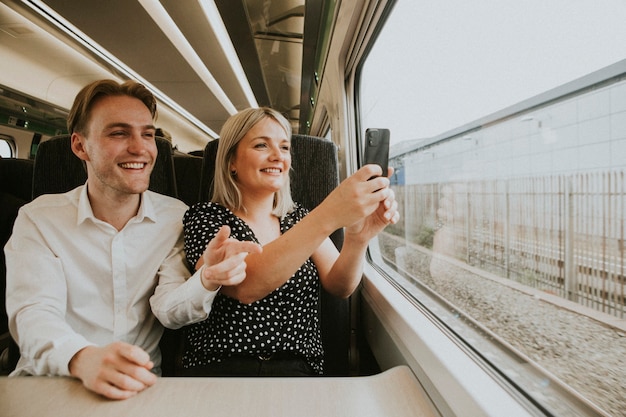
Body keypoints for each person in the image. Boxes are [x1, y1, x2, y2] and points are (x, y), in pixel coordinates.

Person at [4, 79, 260, 399]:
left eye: (148, 134)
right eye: (119, 133)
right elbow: (33, 314)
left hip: (137, 388)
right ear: (80, 146)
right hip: (50, 384)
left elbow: (169, 309)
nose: (140, 148)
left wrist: (206, 279)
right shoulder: (39, 218)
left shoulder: (174, 217)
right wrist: (82, 358)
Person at [176, 107, 399, 376]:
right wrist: (328, 214)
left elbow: (340, 286)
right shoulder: (205, 217)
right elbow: (246, 287)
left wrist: (358, 238)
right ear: (231, 161)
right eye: (261, 145)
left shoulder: (299, 219)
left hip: (297, 368)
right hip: (220, 367)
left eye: (284, 147)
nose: (277, 156)